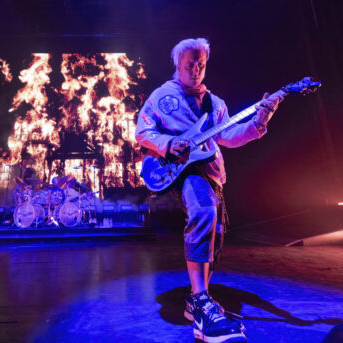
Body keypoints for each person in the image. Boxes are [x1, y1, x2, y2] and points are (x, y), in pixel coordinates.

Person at [135, 38, 282, 342]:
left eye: (201, 64)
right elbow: (142, 132)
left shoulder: (215, 104)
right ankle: (202, 299)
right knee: (204, 211)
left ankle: (195, 300)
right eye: (191, 63)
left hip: (212, 172)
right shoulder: (162, 96)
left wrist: (261, 119)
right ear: (177, 63)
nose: (196, 69)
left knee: (216, 231)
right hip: (180, 171)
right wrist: (167, 144)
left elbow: (229, 136)